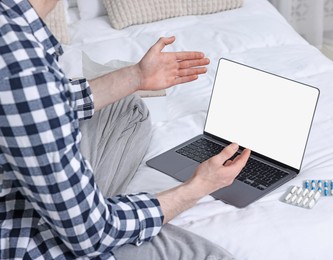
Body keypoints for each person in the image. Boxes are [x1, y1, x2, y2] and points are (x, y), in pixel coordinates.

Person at [0, 0, 251, 259]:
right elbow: (94, 235)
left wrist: (136, 76)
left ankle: (76, 198)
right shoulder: (22, 67)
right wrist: (199, 186)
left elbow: (40, 104)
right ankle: (84, 206)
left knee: (128, 109)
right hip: (20, 236)